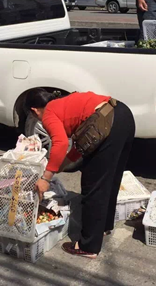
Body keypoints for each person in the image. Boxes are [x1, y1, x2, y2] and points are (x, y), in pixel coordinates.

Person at [25, 89, 135, 258]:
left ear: (34, 110)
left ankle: (88, 246)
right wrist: (59, 166)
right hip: (123, 115)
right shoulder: (63, 103)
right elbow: (81, 143)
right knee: (110, 179)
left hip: (107, 124)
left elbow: (60, 144)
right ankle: (104, 227)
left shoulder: (48, 114)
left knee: (93, 186)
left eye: (35, 117)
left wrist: (46, 178)